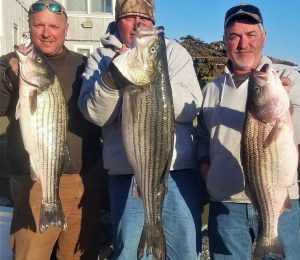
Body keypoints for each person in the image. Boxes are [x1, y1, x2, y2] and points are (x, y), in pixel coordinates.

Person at [78, 0, 205, 259]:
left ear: (153, 21)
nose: (138, 24)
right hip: (126, 174)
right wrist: (113, 78)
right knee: (130, 253)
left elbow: (191, 108)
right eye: (129, 17)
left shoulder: (174, 53)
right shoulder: (100, 59)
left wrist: (155, 77)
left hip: (178, 173)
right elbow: (95, 114)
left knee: (185, 252)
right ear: (117, 21)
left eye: (144, 18)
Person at [0, 0, 106, 259]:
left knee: (78, 255)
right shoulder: (10, 65)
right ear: (29, 27)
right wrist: (11, 82)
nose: (46, 33)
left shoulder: (85, 66)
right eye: (39, 26)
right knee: (31, 254)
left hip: (82, 181)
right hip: (34, 181)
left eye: (53, 26)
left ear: (66, 28)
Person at [196, 3, 300, 259]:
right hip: (227, 204)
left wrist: (290, 101)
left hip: (281, 200)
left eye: (251, 35)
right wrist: (207, 172)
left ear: (263, 38)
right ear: (225, 41)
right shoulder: (211, 89)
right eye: (234, 36)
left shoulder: (288, 78)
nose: (243, 44)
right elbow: (200, 139)